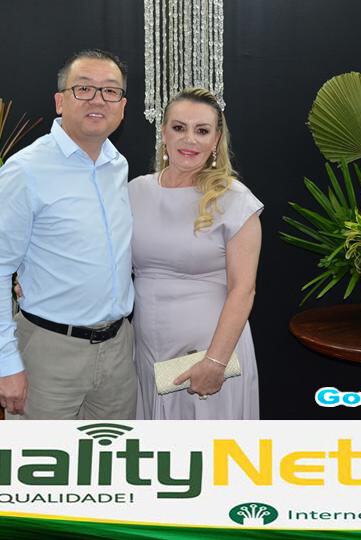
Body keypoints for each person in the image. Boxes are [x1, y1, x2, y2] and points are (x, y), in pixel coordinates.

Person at [0, 49, 137, 419]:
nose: (98, 99)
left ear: (122, 106)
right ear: (60, 101)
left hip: (117, 351)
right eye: (84, 88)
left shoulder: (117, 165)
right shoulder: (25, 170)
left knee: (114, 455)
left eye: (110, 91)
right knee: (43, 458)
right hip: (49, 353)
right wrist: (5, 362)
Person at [128, 87, 263, 419]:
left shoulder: (235, 200)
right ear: (163, 133)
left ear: (216, 140)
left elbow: (243, 290)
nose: (189, 139)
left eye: (202, 131)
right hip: (147, 354)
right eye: (179, 127)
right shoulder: (134, 192)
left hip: (210, 357)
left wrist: (215, 362)